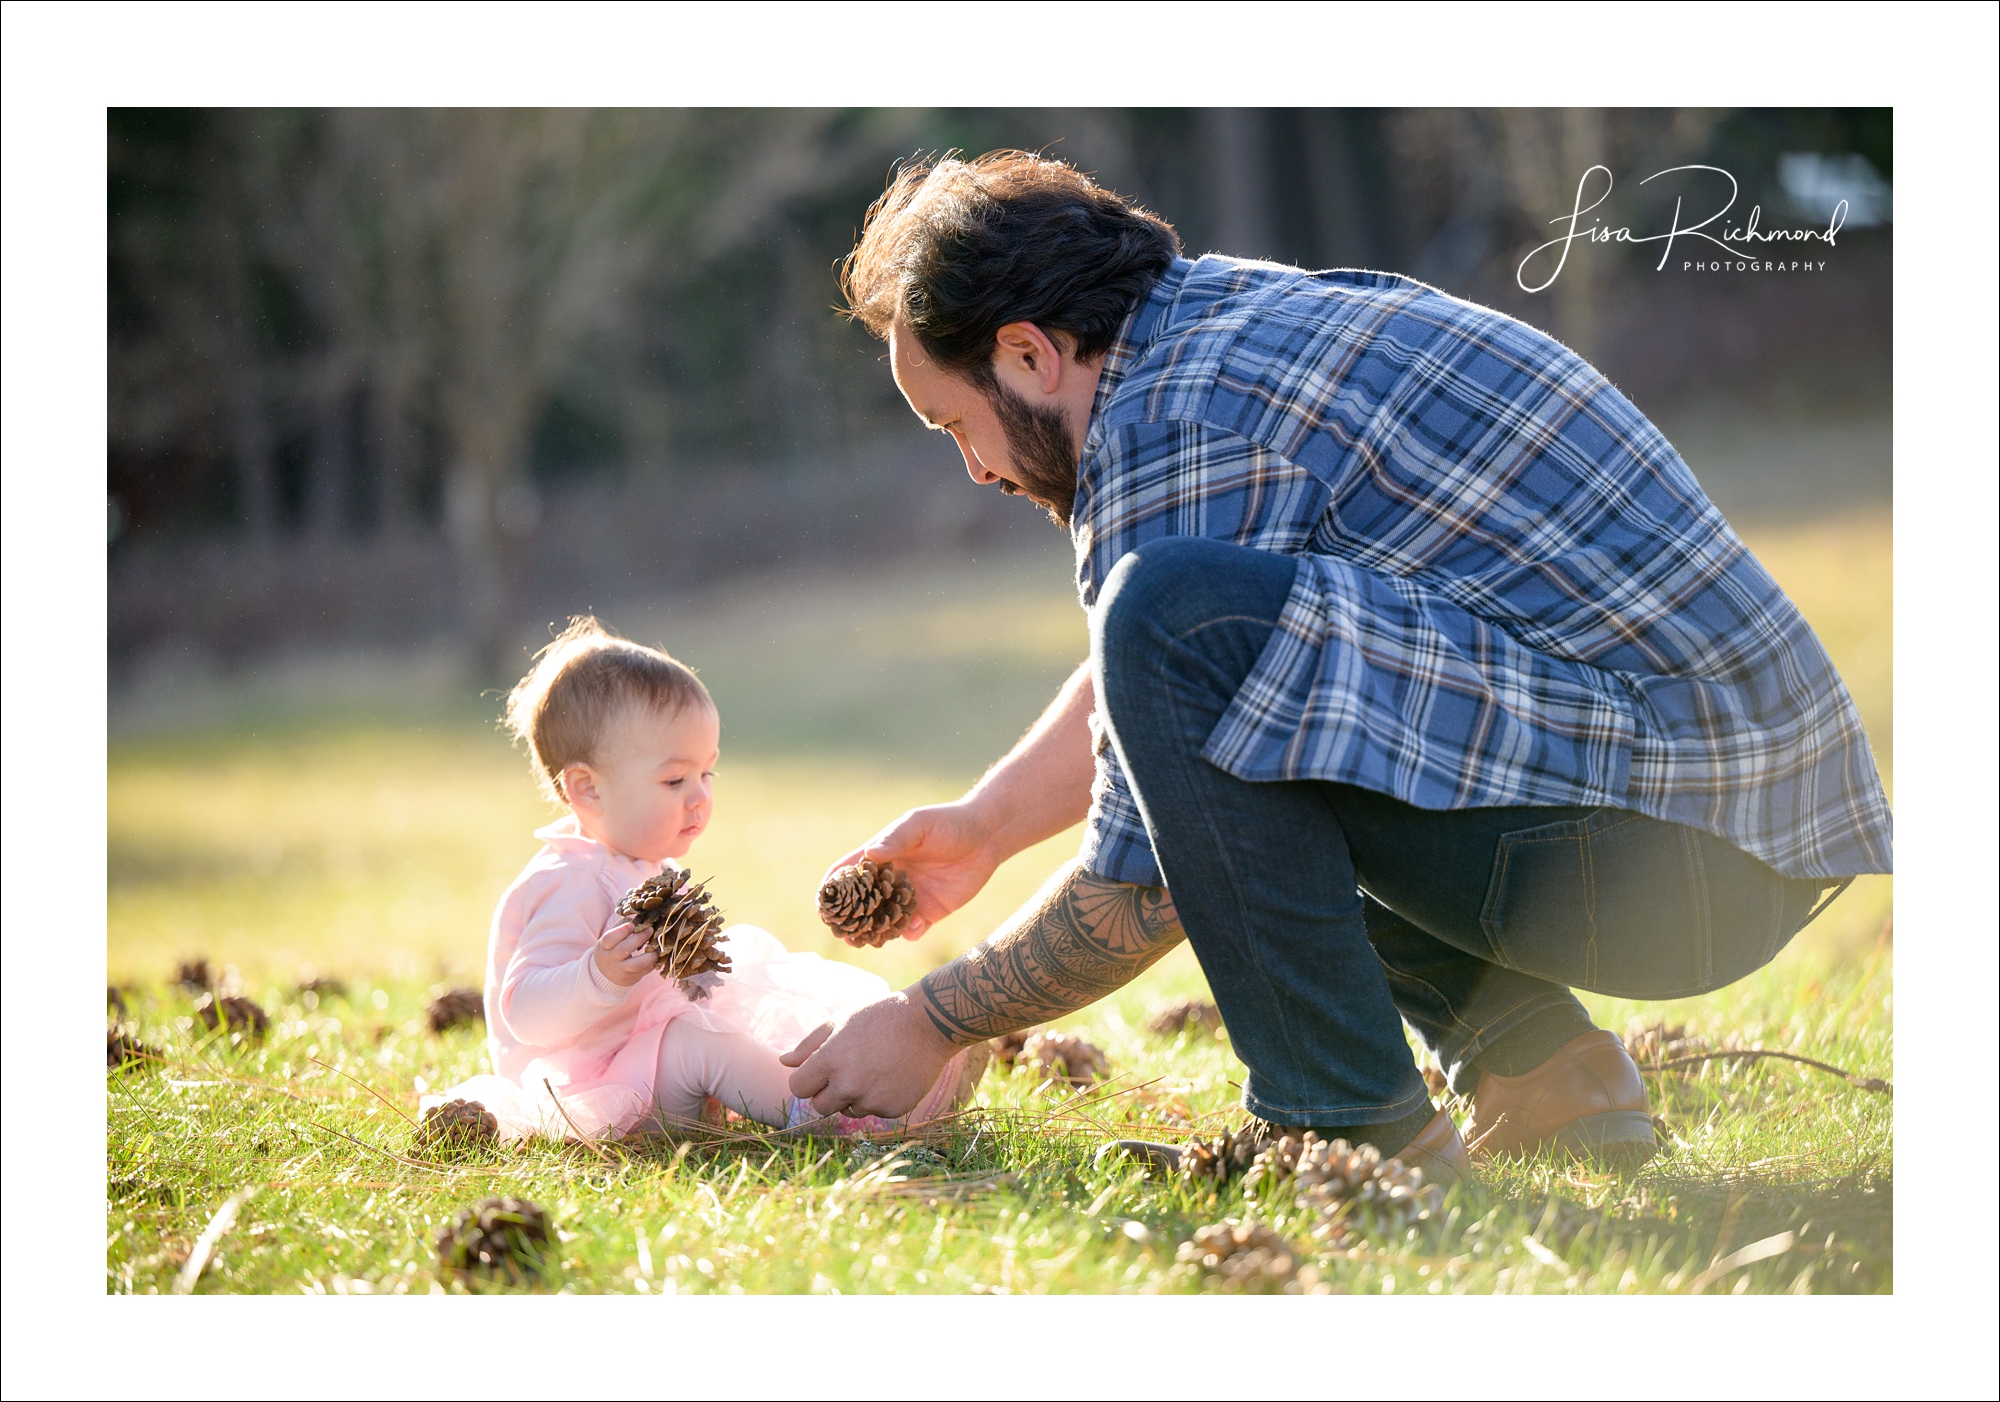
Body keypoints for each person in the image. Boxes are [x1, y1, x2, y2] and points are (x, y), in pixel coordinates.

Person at [781, 152, 1892, 1181]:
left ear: (1027, 352)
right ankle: (1539, 1069)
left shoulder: (1169, 425)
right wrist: (982, 825)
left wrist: (930, 1019)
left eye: (954, 423)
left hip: (1676, 864)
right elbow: (1186, 679)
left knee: (1183, 629)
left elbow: (1145, 875)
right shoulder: (1215, 323)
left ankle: (1347, 1126)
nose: (974, 467)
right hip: (1729, 836)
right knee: (1217, 647)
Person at [429, 616, 985, 1143]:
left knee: (756, 1016)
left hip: (647, 1068)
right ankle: (831, 1118)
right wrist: (596, 975)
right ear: (587, 790)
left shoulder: (646, 867)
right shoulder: (567, 879)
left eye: (707, 771)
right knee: (702, 1046)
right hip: (597, 1095)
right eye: (674, 779)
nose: (700, 796)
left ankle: (876, 1088)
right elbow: (523, 1011)